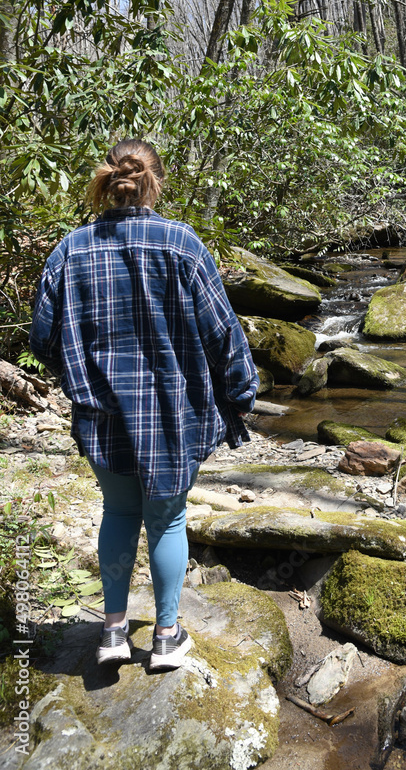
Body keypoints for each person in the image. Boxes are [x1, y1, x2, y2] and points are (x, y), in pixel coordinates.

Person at [29, 139, 259, 670]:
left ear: (110, 182)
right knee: (168, 519)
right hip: (173, 411)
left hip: (101, 409)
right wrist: (241, 392)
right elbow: (222, 331)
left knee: (119, 510)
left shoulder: (72, 248)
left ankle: (111, 634)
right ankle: (166, 637)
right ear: (155, 182)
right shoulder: (181, 243)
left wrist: (77, 372)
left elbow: (43, 337)